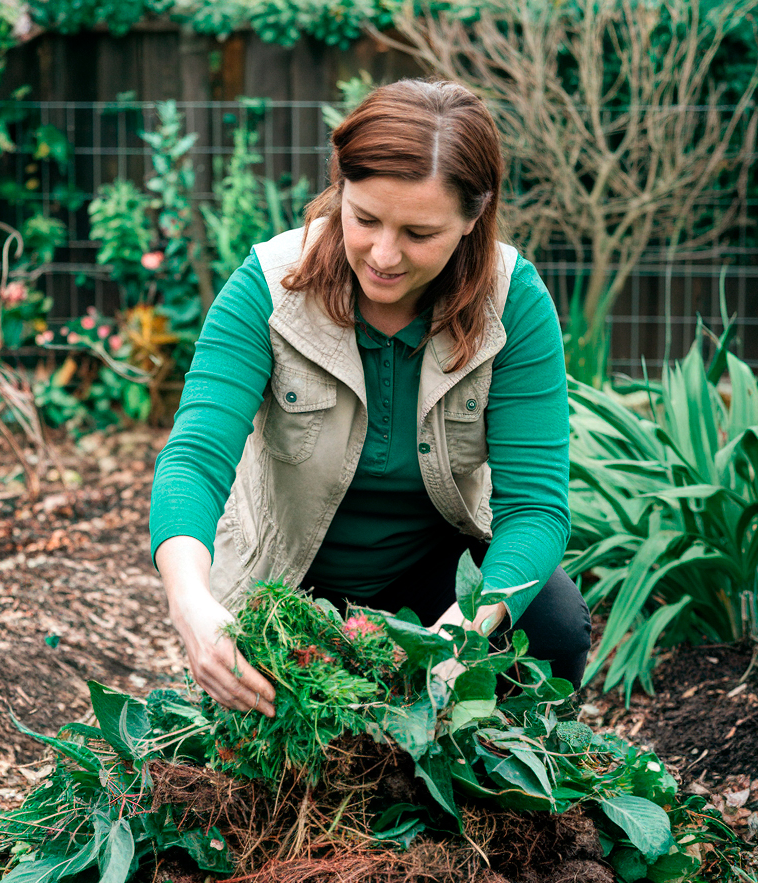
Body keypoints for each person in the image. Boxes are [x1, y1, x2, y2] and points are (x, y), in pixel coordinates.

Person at [149, 79, 591, 719]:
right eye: (363, 219)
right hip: (288, 579)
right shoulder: (270, 290)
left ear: (471, 220)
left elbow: (535, 510)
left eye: (418, 232)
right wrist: (191, 607)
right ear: (340, 193)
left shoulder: (512, 303)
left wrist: (461, 634)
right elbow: (194, 459)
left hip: (436, 584)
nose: (383, 255)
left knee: (548, 625)